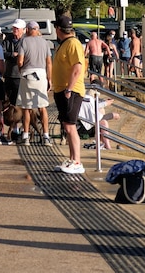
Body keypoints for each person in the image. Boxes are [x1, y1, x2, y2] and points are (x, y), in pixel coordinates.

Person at [51, 15, 87, 174]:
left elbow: (78, 67)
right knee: (67, 124)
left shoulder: (73, 43)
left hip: (71, 91)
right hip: (62, 90)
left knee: (71, 125)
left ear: (58, 29)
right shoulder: (64, 44)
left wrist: (69, 89)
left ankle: (77, 161)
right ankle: (72, 159)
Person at [17, 20, 53, 146]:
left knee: (27, 108)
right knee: (42, 107)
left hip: (27, 74)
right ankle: (46, 136)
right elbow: (49, 62)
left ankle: (26, 136)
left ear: (27, 29)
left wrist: (20, 70)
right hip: (41, 74)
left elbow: (20, 61)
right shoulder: (45, 43)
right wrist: (49, 79)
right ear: (37, 30)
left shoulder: (24, 41)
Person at [2, 20, 25, 116]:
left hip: (20, 75)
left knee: (18, 100)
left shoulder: (25, 40)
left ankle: (19, 123)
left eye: (17, 28)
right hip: (8, 74)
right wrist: (12, 54)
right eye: (14, 28)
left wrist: (18, 56)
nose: (15, 30)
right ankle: (10, 121)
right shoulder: (8, 39)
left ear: (23, 30)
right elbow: (2, 52)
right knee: (7, 99)